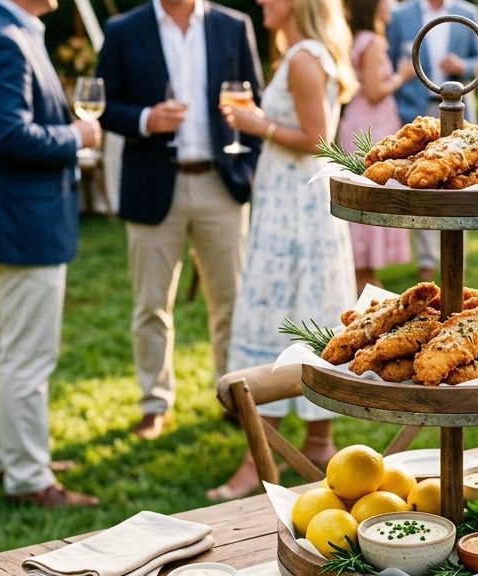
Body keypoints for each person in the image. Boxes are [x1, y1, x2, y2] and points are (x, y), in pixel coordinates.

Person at [206, 0, 359, 501]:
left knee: (275, 312)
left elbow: (319, 139)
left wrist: (257, 125)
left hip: (295, 208)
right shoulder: (301, 53)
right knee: (308, 308)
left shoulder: (303, 59)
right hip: (295, 200)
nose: (263, 3)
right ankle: (319, 442)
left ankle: (257, 460)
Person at [96, 0, 263, 440]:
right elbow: (101, 103)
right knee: (151, 304)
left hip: (220, 183)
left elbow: (257, 107)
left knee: (230, 300)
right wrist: (146, 119)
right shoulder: (123, 30)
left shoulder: (233, 25)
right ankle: (154, 405)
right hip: (153, 185)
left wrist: (247, 171)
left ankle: (234, 399)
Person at [0, 0, 101, 507]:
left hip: (12, 217)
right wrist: (78, 134)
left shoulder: (7, 28)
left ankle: (8, 458)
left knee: (6, 346)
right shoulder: (4, 38)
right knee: (27, 357)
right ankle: (28, 478)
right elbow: (9, 136)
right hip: (22, 221)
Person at [386, 0, 478, 282]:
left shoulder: (468, 14)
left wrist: (461, 66)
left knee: (459, 183)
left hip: (459, 110)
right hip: (416, 113)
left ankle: (457, 254)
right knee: (422, 183)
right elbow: (394, 60)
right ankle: (427, 260)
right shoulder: (402, 15)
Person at [340, 0, 413, 289]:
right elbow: (373, 91)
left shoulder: (359, 38)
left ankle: (367, 278)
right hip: (368, 125)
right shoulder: (371, 41)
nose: (392, 6)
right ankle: (364, 279)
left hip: (366, 121)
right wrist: (402, 76)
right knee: (372, 192)